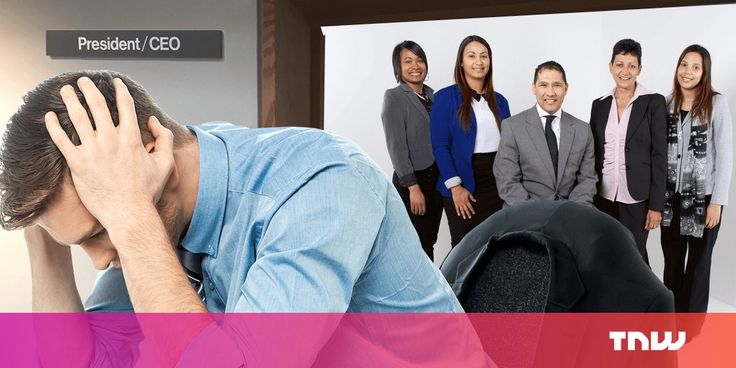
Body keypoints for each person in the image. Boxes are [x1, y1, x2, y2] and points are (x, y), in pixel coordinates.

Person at [0, 71, 467, 365]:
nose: (100, 261)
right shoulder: (156, 207)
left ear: (149, 152)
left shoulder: (319, 180)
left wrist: (128, 217)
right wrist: (43, 236)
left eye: (100, 232)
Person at [661, 45, 733, 315]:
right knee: (673, 259)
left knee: (699, 262)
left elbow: (726, 154)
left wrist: (718, 202)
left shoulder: (716, 102)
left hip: (705, 198)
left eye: (695, 67)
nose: (688, 71)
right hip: (671, 198)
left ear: (704, 73)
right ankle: (672, 315)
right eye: (684, 64)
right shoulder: (667, 104)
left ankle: (691, 323)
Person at [589, 39, 667, 264]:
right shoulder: (599, 104)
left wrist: (656, 205)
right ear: (611, 66)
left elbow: (660, 156)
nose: (625, 71)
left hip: (637, 197)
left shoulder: (653, 102)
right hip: (603, 196)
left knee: (634, 258)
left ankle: (646, 298)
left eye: (632, 65)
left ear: (639, 69)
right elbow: (594, 152)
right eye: (620, 64)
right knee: (607, 255)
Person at [430, 35, 511, 247]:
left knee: (496, 247)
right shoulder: (445, 98)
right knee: (464, 248)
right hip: (464, 181)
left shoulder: (501, 101)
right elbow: (440, 146)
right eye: (472, 56)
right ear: (461, 62)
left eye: (484, 56)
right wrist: (455, 188)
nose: (479, 61)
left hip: (497, 183)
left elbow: (510, 145)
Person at [493, 61, 596, 206]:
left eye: (557, 85)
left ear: (566, 88)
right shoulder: (512, 127)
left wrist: (571, 213)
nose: (550, 92)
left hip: (571, 214)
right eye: (543, 85)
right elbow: (507, 181)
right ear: (534, 88)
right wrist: (537, 215)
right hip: (525, 215)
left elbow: (587, 180)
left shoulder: (583, 130)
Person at [381, 40, 443, 260]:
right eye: (408, 61)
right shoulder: (394, 96)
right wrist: (413, 188)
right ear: (398, 67)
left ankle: (429, 290)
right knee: (414, 243)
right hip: (413, 181)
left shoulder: (435, 96)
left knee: (429, 241)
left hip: (437, 179)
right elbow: (396, 146)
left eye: (419, 60)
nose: (415, 65)